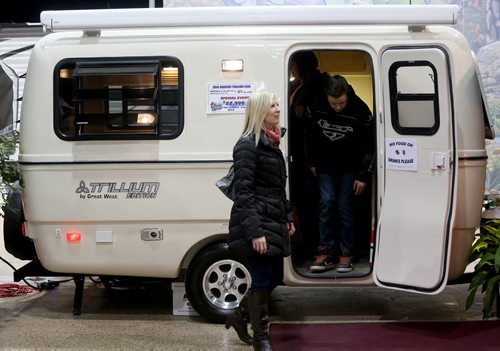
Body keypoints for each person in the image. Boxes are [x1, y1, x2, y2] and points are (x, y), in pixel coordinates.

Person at [225, 90, 295, 351]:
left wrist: (288, 216)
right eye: (272, 106)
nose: (278, 109)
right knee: (263, 278)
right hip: (256, 223)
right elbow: (243, 194)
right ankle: (260, 338)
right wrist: (255, 232)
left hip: (274, 219)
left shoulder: (273, 141)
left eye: (278, 105)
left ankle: (239, 315)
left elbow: (278, 187)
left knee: (276, 275)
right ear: (259, 112)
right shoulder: (247, 145)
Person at [305, 75, 374, 273]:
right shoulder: (316, 106)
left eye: (342, 103)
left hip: (350, 169)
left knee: (345, 207)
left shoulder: (360, 109)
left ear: (347, 95)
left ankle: (346, 252)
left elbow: (370, 145)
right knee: (326, 204)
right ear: (326, 96)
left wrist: (363, 176)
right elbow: (308, 135)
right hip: (324, 166)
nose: (337, 107)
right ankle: (325, 252)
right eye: (334, 103)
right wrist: (311, 161)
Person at [288, 51, 325, 259]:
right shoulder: (300, 85)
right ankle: (308, 245)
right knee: (303, 204)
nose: (291, 69)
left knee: (310, 204)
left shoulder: (315, 86)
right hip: (299, 155)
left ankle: (314, 248)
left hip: (308, 157)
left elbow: (309, 123)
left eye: (293, 64)